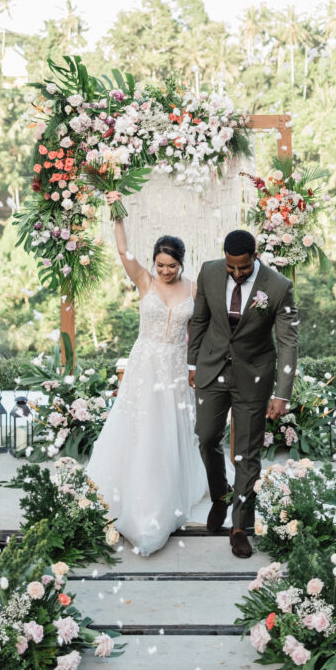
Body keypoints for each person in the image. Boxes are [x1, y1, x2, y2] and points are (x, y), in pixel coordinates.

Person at [86, 209, 207, 556]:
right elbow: (123, 252)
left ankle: (165, 495)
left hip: (174, 367)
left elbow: (200, 331)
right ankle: (134, 497)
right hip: (145, 365)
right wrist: (118, 216)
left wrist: (196, 365)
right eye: (160, 265)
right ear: (154, 263)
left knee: (171, 430)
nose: (165, 271)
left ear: (181, 263)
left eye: (171, 265)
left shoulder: (195, 288)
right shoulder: (144, 281)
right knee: (142, 428)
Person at [187, 229, 298, 559]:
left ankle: (239, 525)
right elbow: (200, 319)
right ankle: (220, 495)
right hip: (211, 368)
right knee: (206, 437)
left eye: (243, 268)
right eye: (231, 267)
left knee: (246, 453)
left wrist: (282, 393)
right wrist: (193, 364)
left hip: (254, 376)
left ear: (255, 256)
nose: (236, 273)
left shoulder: (278, 287)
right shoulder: (208, 272)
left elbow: (289, 342)